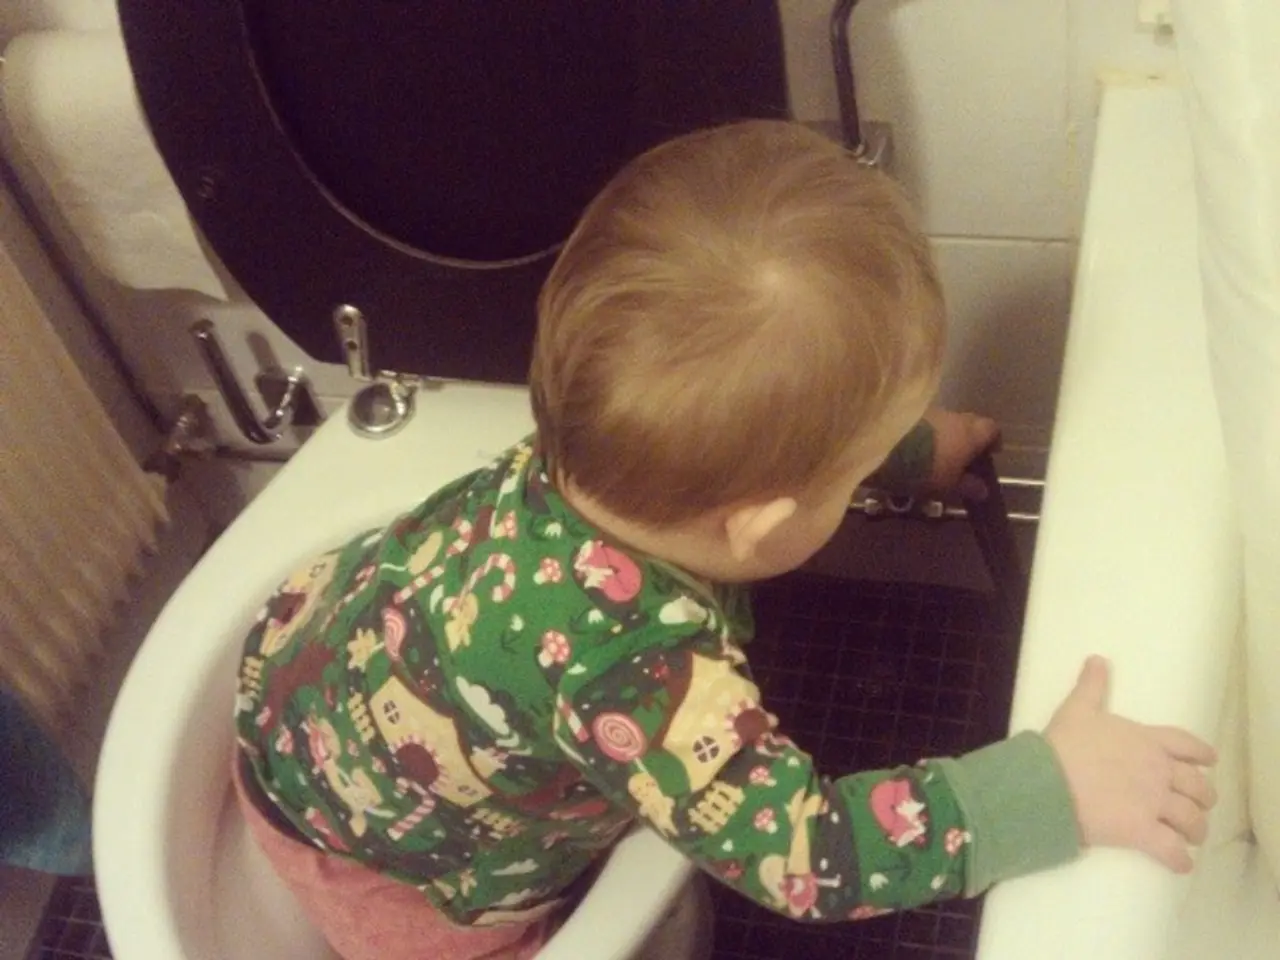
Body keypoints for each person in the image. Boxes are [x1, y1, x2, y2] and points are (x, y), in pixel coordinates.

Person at [231, 120, 1217, 960]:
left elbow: (743, 434)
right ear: (764, 521)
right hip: (385, 861)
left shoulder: (603, 438)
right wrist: (1041, 789)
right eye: (853, 460)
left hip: (306, 665)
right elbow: (807, 858)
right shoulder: (641, 674)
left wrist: (897, 450)